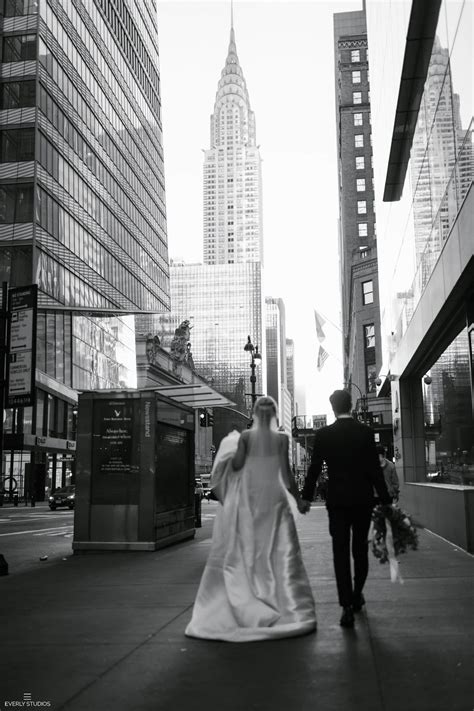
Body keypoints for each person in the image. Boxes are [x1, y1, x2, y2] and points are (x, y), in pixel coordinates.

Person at [185, 395, 316, 642]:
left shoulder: (245, 437)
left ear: (255, 414)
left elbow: (236, 466)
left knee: (250, 548)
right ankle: (282, 602)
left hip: (251, 498)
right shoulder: (282, 439)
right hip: (275, 500)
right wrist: (299, 500)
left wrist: (230, 447)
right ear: (275, 414)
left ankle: (251, 597)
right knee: (279, 551)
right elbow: (287, 475)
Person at [300, 390, 391, 629]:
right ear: (351, 405)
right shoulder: (366, 433)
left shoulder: (324, 435)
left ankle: (346, 607)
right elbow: (374, 470)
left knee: (340, 553)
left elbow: (314, 469)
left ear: (332, 408)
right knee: (360, 549)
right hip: (362, 501)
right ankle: (357, 592)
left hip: (337, 503)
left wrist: (306, 497)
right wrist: (386, 500)